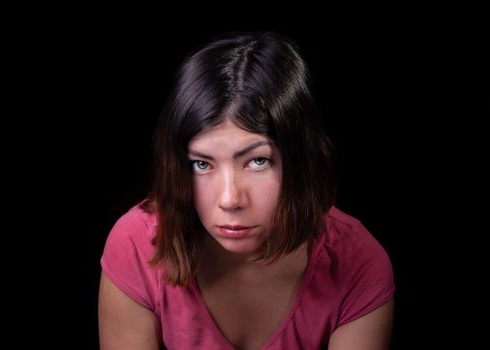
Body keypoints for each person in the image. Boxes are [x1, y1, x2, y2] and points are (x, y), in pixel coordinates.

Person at [98, 31, 395, 350]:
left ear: (301, 161)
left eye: (257, 161)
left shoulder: (359, 262)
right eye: (202, 164)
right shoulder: (137, 245)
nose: (230, 199)